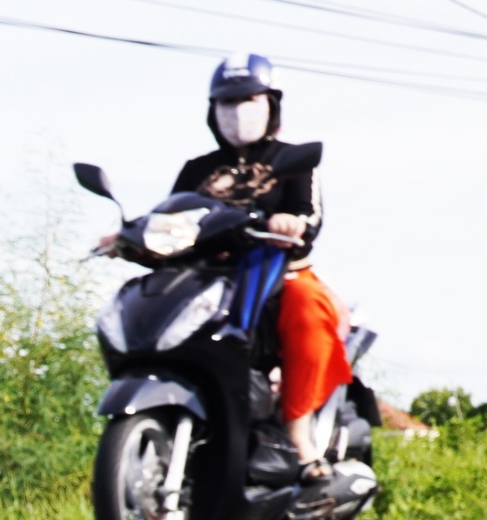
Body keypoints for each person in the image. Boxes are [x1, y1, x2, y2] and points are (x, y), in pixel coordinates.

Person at [116, 54, 352, 495]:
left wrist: (290, 222)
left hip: (279, 274)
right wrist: (128, 238)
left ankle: (301, 438)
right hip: (207, 278)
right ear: (212, 111)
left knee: (307, 310)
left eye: (248, 100)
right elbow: (170, 221)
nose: (237, 111)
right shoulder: (197, 169)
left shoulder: (294, 160)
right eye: (226, 103)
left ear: (271, 105)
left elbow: (309, 217)